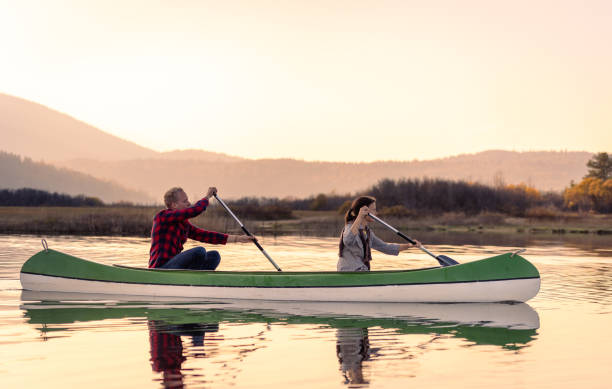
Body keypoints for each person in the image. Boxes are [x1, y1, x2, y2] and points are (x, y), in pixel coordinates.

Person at [149, 186, 254, 270]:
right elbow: (195, 210)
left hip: (176, 268)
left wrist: (238, 239)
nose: (189, 203)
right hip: (161, 268)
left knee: (214, 255)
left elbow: (205, 236)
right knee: (199, 251)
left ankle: (196, 282)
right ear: (174, 205)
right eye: (185, 201)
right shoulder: (163, 217)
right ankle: (190, 280)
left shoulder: (183, 224)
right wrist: (207, 197)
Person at [337, 196, 421, 272]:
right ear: (364, 211)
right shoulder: (349, 227)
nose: (376, 213)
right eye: (373, 210)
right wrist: (359, 216)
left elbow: (386, 248)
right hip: (350, 273)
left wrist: (409, 245)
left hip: (362, 272)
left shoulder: (368, 232)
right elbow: (348, 240)